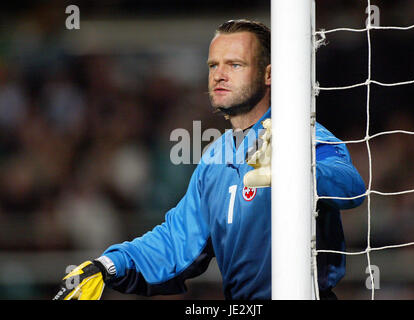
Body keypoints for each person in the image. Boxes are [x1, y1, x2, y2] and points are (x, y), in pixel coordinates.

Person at [53, 19, 366, 301]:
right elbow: (178, 241)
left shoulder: (299, 133)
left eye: (235, 64)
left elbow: (351, 185)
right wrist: (111, 264)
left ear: (268, 73)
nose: (219, 74)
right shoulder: (215, 157)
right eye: (213, 65)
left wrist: (295, 171)